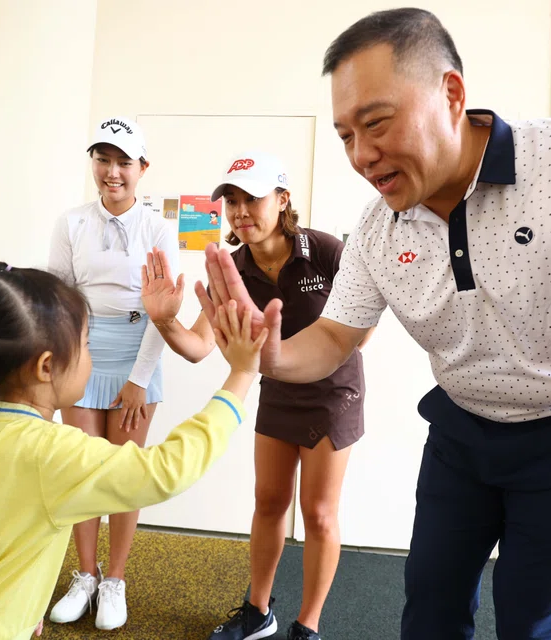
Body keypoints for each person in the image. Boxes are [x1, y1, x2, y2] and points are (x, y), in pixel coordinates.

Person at [198, 8, 551, 640]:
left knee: (533, 625)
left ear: (452, 94)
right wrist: (264, 356)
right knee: (430, 612)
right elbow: (334, 338)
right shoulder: (378, 228)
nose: (361, 154)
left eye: (376, 122)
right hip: (461, 437)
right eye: (345, 135)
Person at [0, 259, 267, 640]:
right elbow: (168, 470)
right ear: (46, 366)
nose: (91, 356)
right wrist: (241, 375)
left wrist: (24, 606)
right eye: (87, 344)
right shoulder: (49, 451)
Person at [140, 151, 367, 640]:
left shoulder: (325, 250)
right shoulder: (232, 266)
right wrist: (163, 319)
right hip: (278, 392)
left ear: (283, 199)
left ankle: (308, 624)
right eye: (232, 201)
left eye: (253, 198)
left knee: (319, 513)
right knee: (268, 501)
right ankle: (258, 612)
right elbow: (199, 347)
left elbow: (360, 333)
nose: (241, 211)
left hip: (333, 394)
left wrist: (295, 347)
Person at [47, 116, 178, 630]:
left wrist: (140, 378)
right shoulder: (71, 222)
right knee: (83, 470)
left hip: (137, 349)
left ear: (142, 168)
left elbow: (161, 310)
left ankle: (115, 579)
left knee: (125, 473)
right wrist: (65, 362)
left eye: (124, 161)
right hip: (81, 351)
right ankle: (85, 574)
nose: (113, 171)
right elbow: (58, 298)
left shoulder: (157, 227)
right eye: (104, 159)